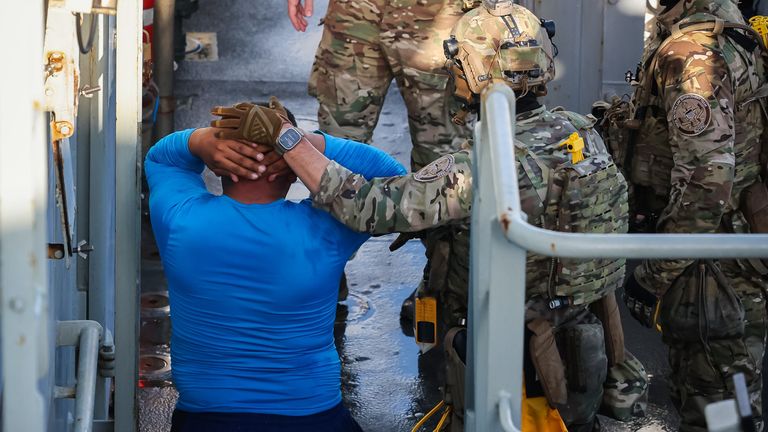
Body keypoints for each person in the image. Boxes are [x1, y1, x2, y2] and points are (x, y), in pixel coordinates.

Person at [208, 3, 648, 430]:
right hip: (577, 344)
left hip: (512, 361)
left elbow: (367, 206)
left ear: (476, 71)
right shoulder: (579, 132)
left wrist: (287, 139)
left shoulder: (484, 165)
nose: (451, 72)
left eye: (458, 61)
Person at [144, 99, 406, 432]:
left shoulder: (181, 221)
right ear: (291, 169)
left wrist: (199, 141)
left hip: (205, 419)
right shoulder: (327, 229)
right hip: (314, 418)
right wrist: (302, 145)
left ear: (218, 164)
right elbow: (391, 179)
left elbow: (162, 158)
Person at [605, 0, 768, 430]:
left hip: (710, 265)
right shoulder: (729, 25)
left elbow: (707, 182)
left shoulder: (691, 53)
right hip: (735, 242)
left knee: (714, 405)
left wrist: (655, 275)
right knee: (731, 394)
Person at [286, 0, 476, 314]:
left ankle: (443, 291)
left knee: (444, 161)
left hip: (437, 15)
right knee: (334, 149)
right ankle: (325, 282)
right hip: (356, 11)